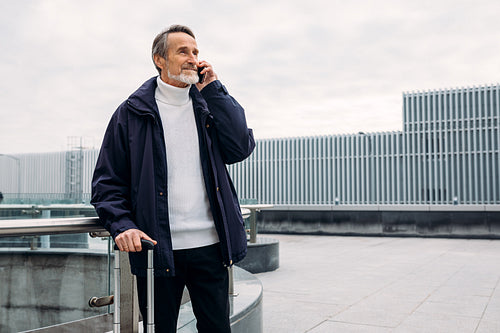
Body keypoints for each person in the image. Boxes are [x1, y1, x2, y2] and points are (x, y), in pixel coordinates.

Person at [91, 24, 255, 332]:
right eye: (183, 51)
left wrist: (216, 90)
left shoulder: (208, 104)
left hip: (211, 245)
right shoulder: (130, 113)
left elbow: (240, 147)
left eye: (196, 51)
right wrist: (123, 225)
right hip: (156, 249)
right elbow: (107, 183)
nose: (193, 58)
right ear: (159, 60)